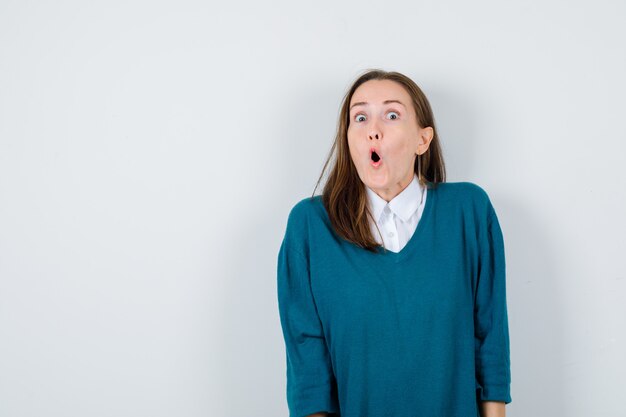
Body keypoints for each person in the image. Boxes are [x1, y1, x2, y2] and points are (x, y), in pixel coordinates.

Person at [276, 69, 512, 417]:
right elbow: (309, 379)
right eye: (360, 117)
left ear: (422, 140)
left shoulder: (469, 211)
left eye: (391, 114)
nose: (373, 128)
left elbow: (490, 347)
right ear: (349, 140)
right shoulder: (309, 227)